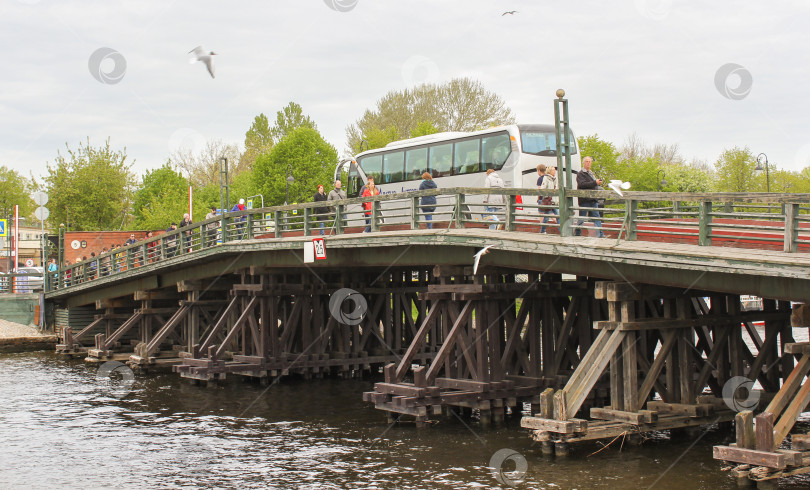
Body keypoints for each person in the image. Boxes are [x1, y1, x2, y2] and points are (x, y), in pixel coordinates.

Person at [575, 156, 605, 238]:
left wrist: (596, 183)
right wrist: (595, 182)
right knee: (582, 218)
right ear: (583, 163)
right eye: (586, 161)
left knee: (597, 217)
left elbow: (591, 184)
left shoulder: (591, 173)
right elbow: (582, 184)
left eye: (589, 161)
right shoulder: (580, 173)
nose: (588, 163)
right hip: (584, 200)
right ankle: (578, 233)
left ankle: (600, 234)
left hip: (593, 199)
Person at [539, 165, 559, 233]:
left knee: (558, 216)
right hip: (549, 201)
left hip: (555, 201)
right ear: (550, 171)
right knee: (547, 217)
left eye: (555, 170)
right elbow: (543, 189)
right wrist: (548, 195)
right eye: (553, 170)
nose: (555, 171)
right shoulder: (546, 178)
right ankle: (543, 230)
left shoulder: (555, 179)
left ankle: (561, 231)